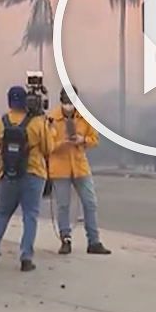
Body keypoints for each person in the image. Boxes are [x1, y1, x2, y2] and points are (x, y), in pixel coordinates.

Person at [0, 86, 55, 272]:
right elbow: (49, 148)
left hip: (7, 175)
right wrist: (48, 126)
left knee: (2, 214)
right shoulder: (38, 122)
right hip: (33, 174)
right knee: (30, 216)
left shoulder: (1, 122)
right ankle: (26, 258)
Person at [47, 88, 111, 256]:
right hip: (60, 168)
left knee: (90, 203)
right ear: (61, 101)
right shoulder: (51, 119)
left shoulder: (84, 117)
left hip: (80, 166)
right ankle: (65, 239)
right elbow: (47, 145)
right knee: (63, 206)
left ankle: (94, 241)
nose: (69, 106)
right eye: (66, 102)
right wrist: (62, 142)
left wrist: (83, 140)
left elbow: (95, 139)